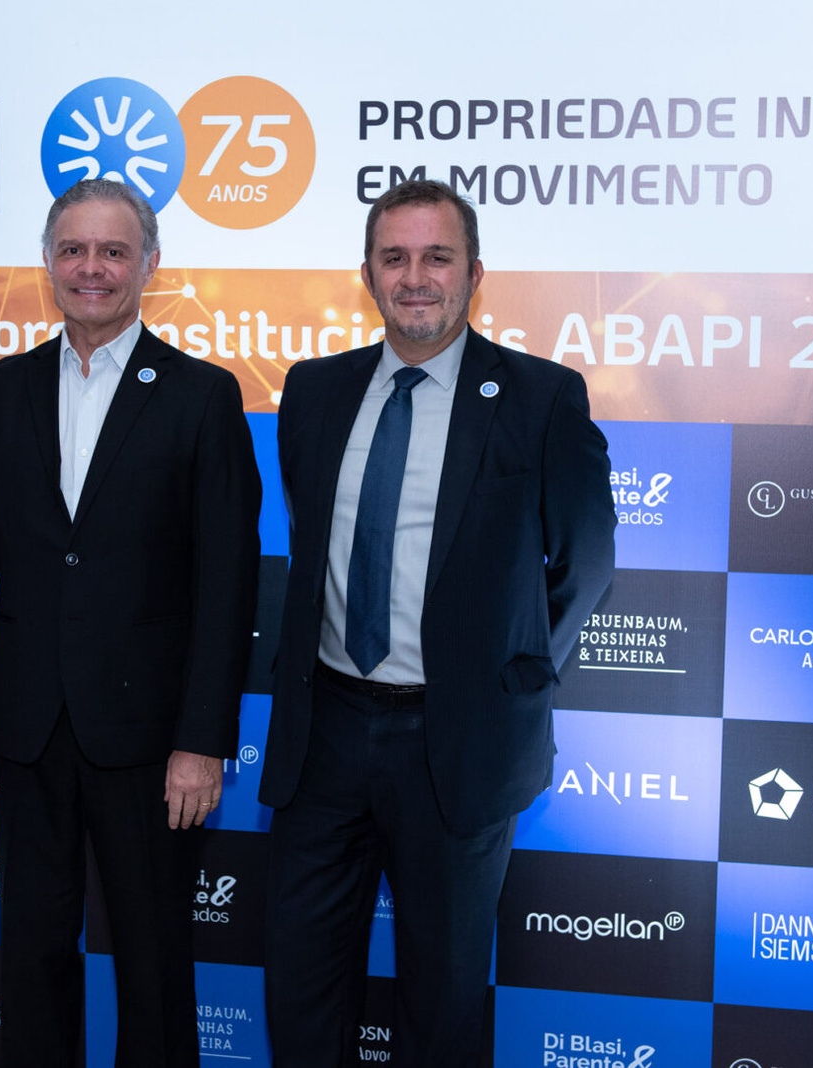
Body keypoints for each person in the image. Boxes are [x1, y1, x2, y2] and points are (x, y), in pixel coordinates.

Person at [259, 179, 615, 1066]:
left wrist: (508, 677)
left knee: (444, 1001)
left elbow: (586, 565)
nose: (415, 277)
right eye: (395, 258)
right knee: (301, 990)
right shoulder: (313, 390)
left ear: (474, 273)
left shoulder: (540, 399)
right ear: (368, 275)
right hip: (323, 737)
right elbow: (312, 537)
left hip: (458, 744)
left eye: (437, 257)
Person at [0, 178, 261, 1066]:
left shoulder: (202, 396)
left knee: (155, 966)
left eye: (114, 251)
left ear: (149, 264)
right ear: (47, 261)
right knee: (32, 955)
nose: (92, 268)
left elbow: (227, 587)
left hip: (152, 743)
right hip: (24, 733)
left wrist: (202, 741)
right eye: (73, 249)